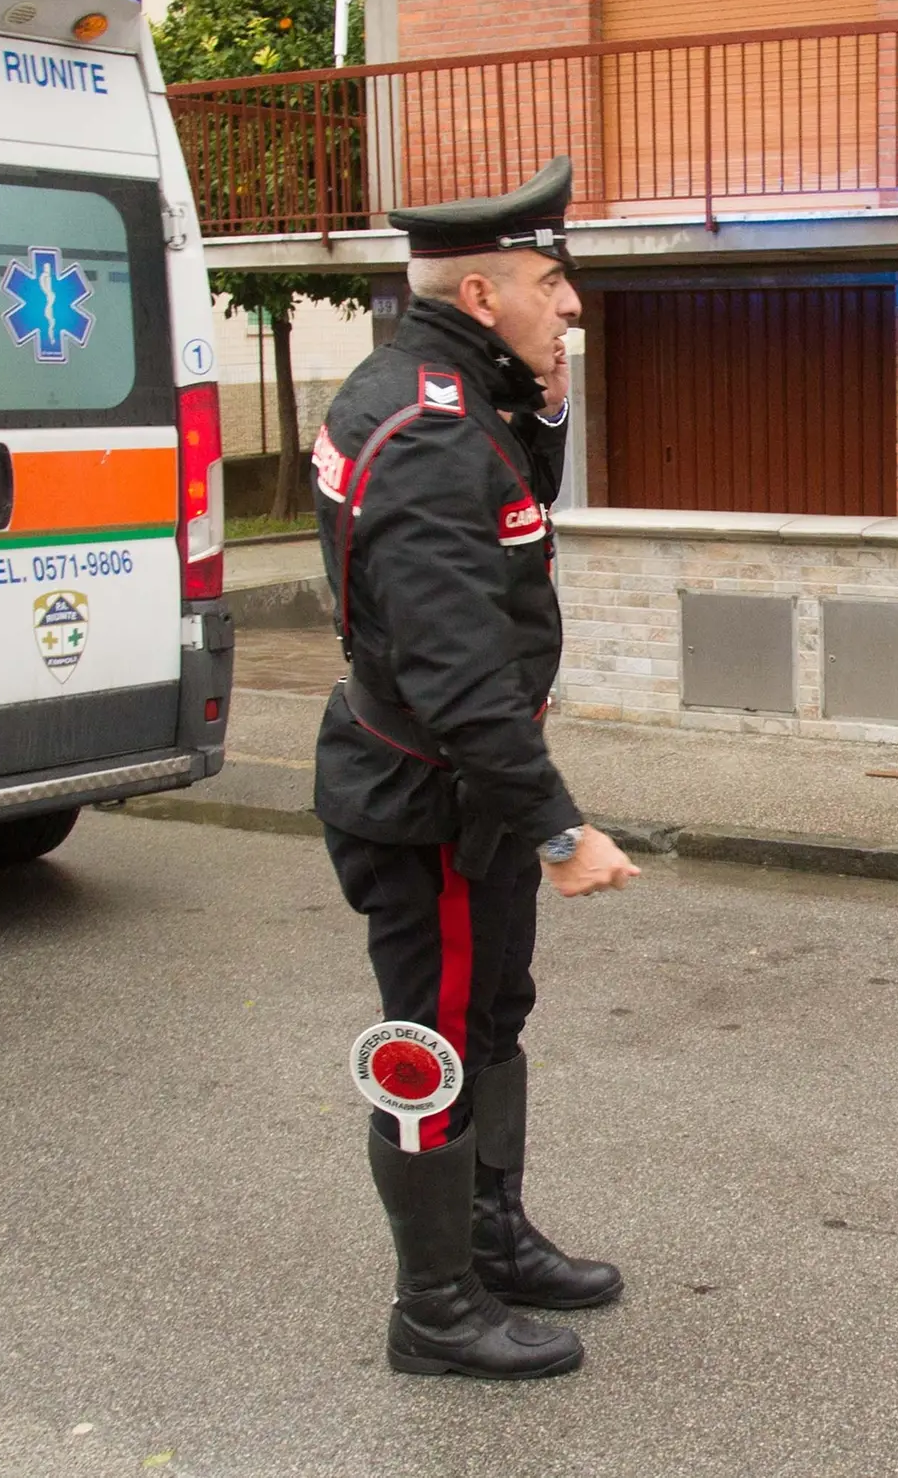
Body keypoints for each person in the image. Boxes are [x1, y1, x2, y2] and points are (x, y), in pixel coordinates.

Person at [310, 154, 641, 1382]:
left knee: (494, 1012)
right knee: (433, 1038)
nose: (570, 308)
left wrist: (548, 396)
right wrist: (560, 828)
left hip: (464, 789)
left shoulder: (456, 388)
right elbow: (456, 671)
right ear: (483, 286)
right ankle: (434, 1308)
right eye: (552, 283)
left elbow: (516, 506)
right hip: (431, 795)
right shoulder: (427, 427)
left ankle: (492, 1238)